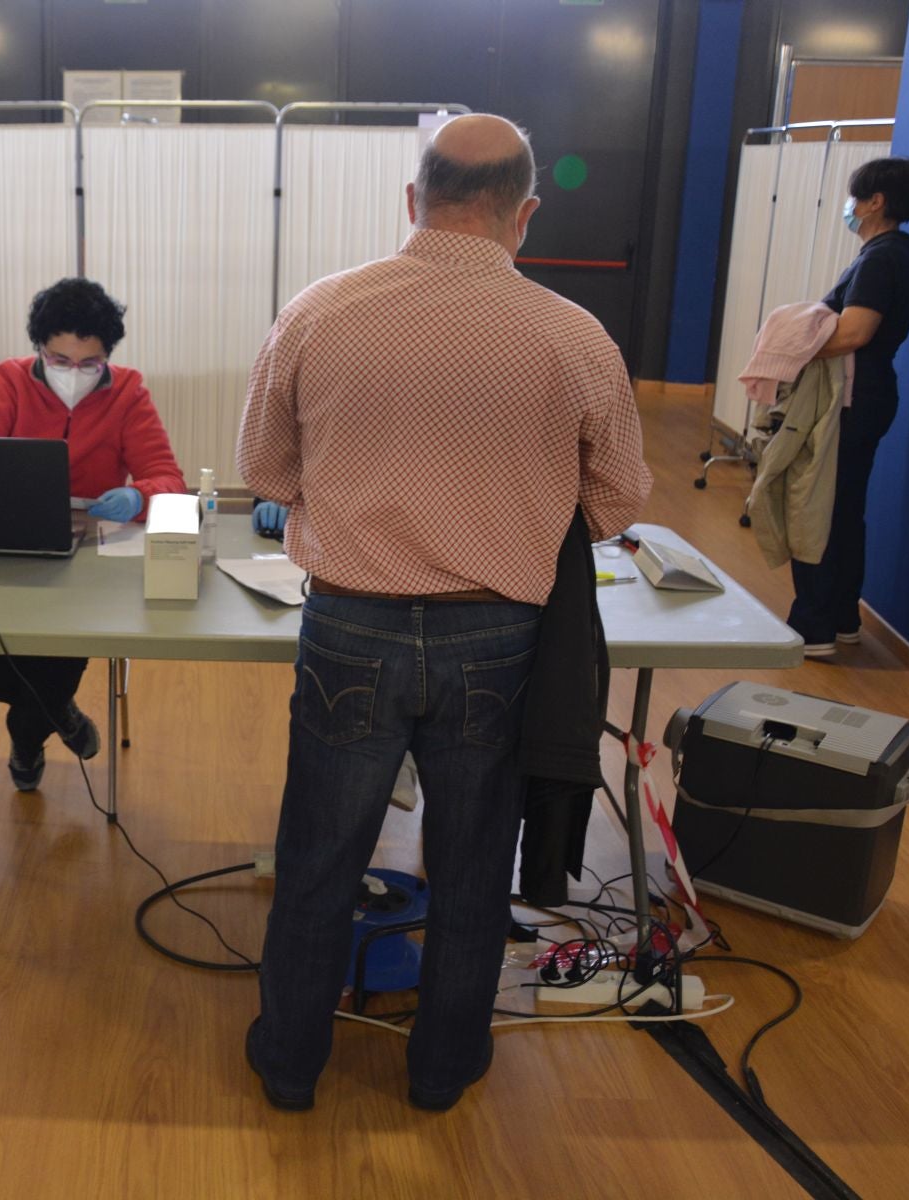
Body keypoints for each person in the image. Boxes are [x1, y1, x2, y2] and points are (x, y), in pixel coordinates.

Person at [238, 114, 651, 1112]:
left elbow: (264, 470)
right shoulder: (573, 336)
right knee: (473, 866)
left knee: (319, 856)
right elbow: (618, 499)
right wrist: (513, 507)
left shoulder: (319, 312)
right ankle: (442, 1069)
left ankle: (291, 1067)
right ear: (525, 215)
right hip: (496, 635)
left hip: (350, 622)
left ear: (411, 199)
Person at [0, 277, 185, 792]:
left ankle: (27, 734)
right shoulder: (10, 380)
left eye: (89, 363)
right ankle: (57, 711)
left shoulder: (127, 390)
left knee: (61, 647)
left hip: (87, 554)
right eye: (59, 360)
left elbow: (168, 479)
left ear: (108, 356)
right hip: (8, 546)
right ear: (39, 349)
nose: (72, 374)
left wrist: (135, 497)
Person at [789, 157, 909, 657]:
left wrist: (791, 346)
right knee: (845, 509)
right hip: (869, 396)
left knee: (818, 507)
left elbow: (853, 332)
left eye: (855, 198)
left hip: (853, 399)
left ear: (876, 203)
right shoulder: (896, 255)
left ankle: (814, 626)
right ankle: (843, 617)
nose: (849, 207)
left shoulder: (880, 259)